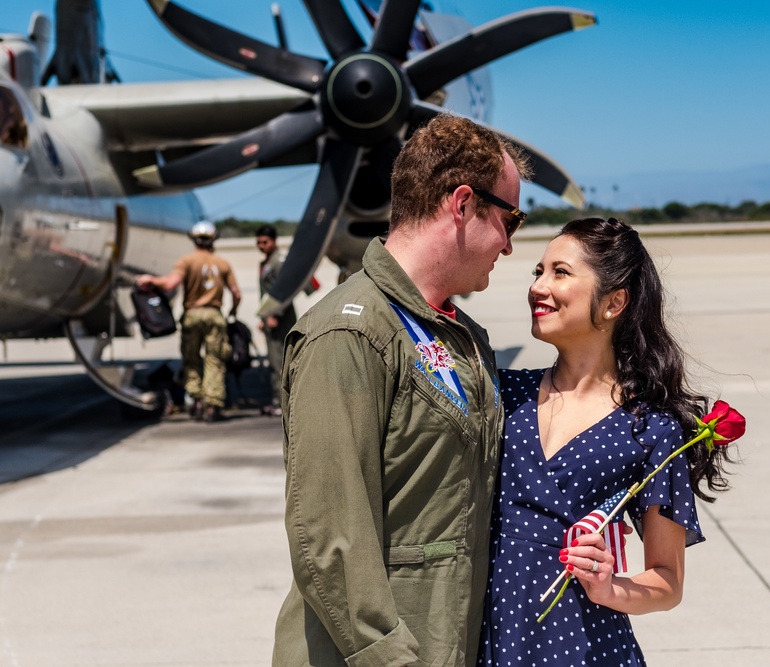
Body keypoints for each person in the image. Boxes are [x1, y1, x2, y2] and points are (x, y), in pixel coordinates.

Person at [272, 113, 532, 666]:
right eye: (511, 218)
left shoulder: (458, 336)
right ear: (462, 204)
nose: (509, 245)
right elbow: (328, 537)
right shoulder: (350, 333)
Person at [478, 217, 735, 666]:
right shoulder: (502, 393)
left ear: (614, 301)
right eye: (538, 271)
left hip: (586, 648)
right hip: (489, 639)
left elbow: (668, 581)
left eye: (560, 272)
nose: (539, 286)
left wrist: (609, 586)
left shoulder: (650, 428)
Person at [135, 221, 241, 422]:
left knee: (191, 359)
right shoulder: (222, 264)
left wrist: (151, 280)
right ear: (213, 239)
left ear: (193, 239)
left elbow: (170, 284)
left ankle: (197, 398)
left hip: (192, 315)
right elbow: (236, 293)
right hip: (214, 315)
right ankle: (213, 404)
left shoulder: (186, 261)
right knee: (215, 360)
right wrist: (233, 312)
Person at [255, 224, 294, 416]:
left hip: (280, 319)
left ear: (274, 241)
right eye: (259, 242)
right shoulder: (267, 262)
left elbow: (285, 291)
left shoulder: (279, 262)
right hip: (269, 317)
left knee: (279, 361)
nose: (261, 245)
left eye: (265, 242)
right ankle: (277, 400)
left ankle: (282, 403)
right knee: (273, 360)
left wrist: (275, 315)